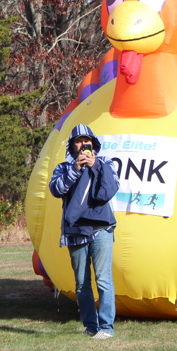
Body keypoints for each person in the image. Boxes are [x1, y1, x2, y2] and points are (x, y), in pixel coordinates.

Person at [49, 124, 120, 339]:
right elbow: (56, 189)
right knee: (81, 283)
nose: (83, 145)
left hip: (101, 228)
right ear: (72, 146)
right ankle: (90, 326)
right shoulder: (64, 167)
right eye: (78, 141)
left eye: (86, 141)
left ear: (93, 144)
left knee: (103, 279)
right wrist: (75, 169)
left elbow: (111, 188)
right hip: (76, 230)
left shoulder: (105, 163)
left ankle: (106, 327)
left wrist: (95, 166)